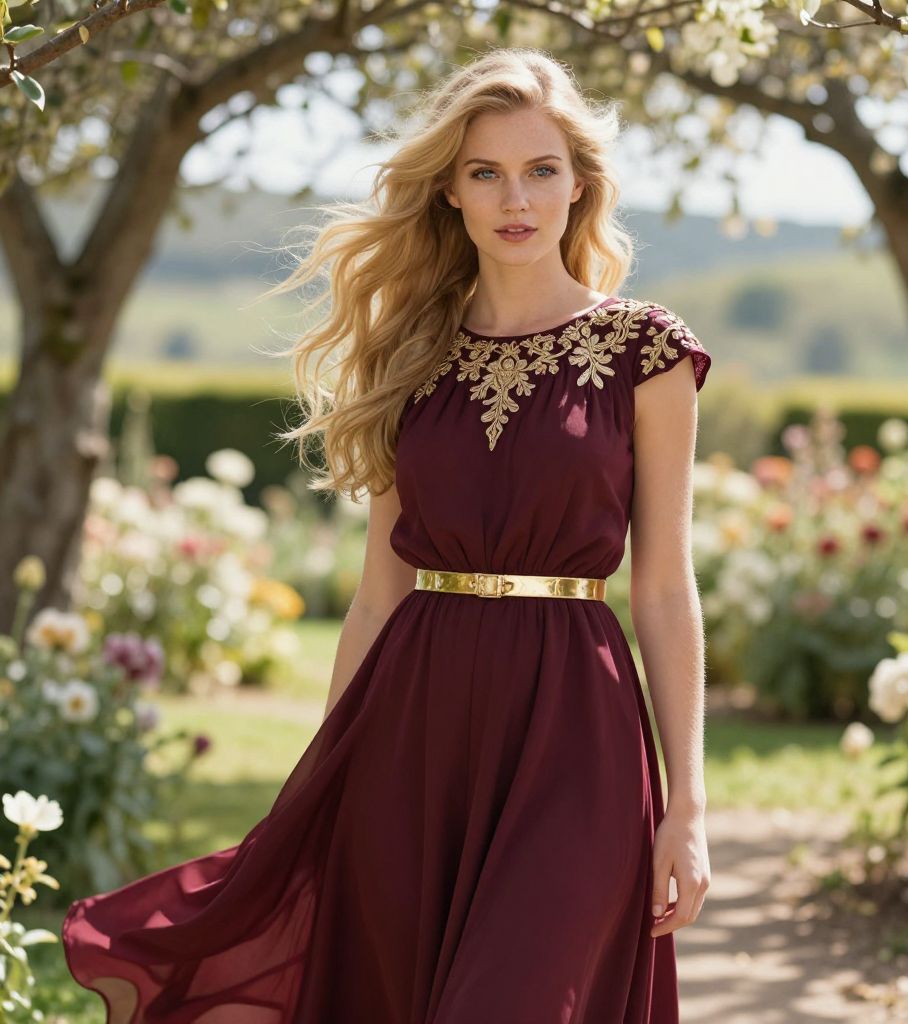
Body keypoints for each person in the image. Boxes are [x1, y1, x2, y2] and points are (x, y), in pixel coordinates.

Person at [62, 45, 712, 1023]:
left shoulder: (646, 351)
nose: (515, 198)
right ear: (448, 191)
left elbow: (664, 585)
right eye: (484, 172)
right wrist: (325, 777)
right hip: (416, 718)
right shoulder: (410, 353)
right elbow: (379, 589)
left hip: (576, 724)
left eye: (540, 169)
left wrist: (689, 808)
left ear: (581, 184)